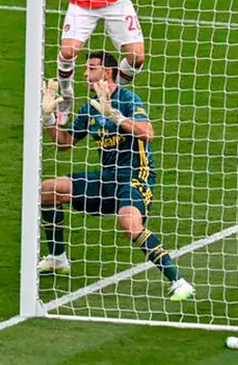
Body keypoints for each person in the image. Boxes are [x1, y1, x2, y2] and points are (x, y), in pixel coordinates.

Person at [39, 51, 194, 301]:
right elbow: (65, 143)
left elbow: (148, 132)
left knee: (129, 225)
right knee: (48, 190)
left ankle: (179, 281)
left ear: (107, 72)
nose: (85, 73)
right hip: (106, 178)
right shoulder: (89, 107)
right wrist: (48, 119)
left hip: (135, 177)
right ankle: (57, 258)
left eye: (90, 68)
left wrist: (115, 116)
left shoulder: (127, 99)